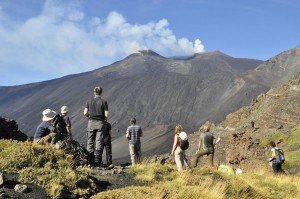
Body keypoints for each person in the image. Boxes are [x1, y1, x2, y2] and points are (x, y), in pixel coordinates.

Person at [84, 86, 109, 164]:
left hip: (91, 122)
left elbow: (85, 113)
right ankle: (97, 160)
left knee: (90, 141)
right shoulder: (104, 102)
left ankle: (89, 160)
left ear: (94, 92)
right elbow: (106, 115)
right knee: (99, 141)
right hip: (100, 123)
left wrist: (90, 117)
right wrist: (104, 121)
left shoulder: (89, 101)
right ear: (101, 92)